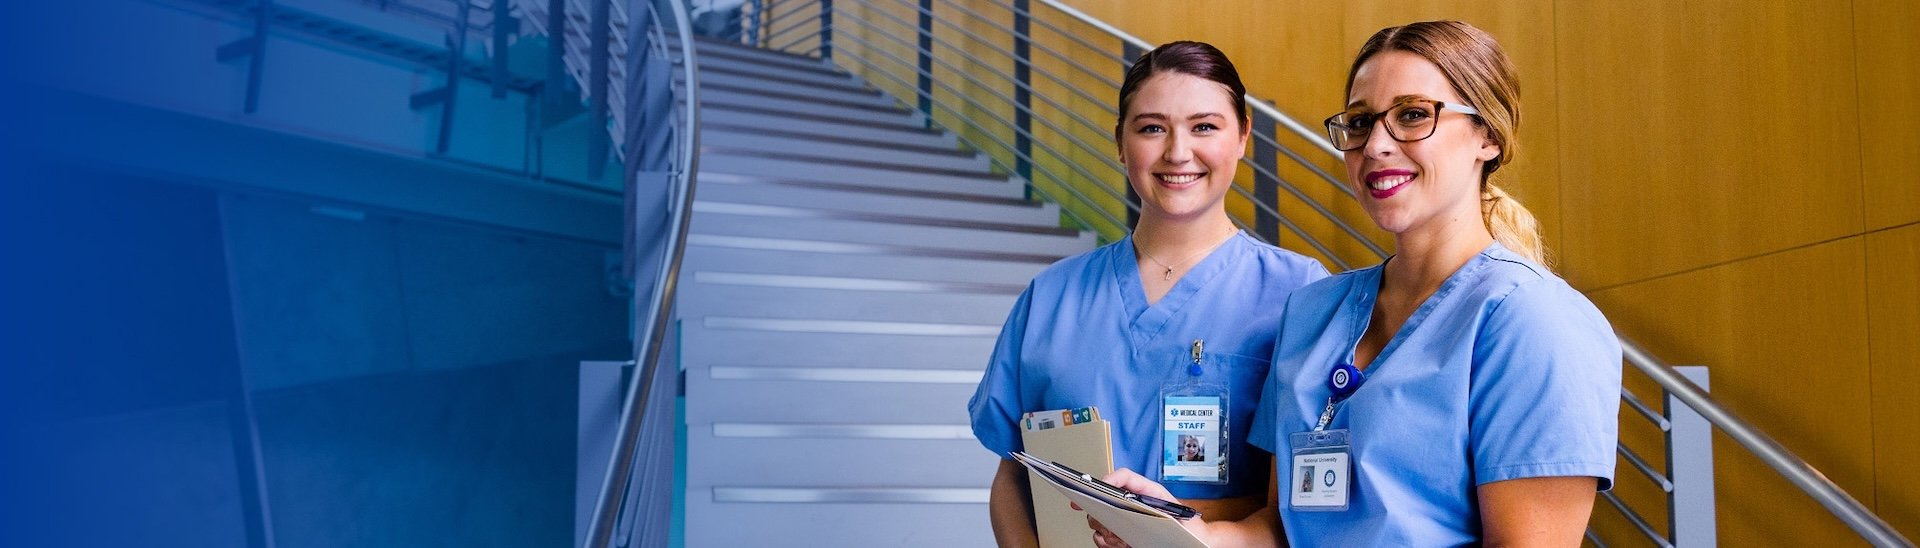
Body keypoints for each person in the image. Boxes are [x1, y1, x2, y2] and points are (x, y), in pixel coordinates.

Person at [1094, 21, 1623, 547]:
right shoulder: (1313, 311)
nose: (1376, 146)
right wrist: (1186, 535)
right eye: (1362, 122)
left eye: (1413, 116)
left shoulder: (1534, 322)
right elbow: (1280, 530)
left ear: (1487, 135)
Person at [967, 40, 1330, 547]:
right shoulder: (1052, 296)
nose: (1178, 152)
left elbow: (1299, 505)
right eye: (1151, 128)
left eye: (1204, 126)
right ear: (1120, 142)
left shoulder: (1301, 293)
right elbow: (1012, 474)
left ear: (1244, 136)